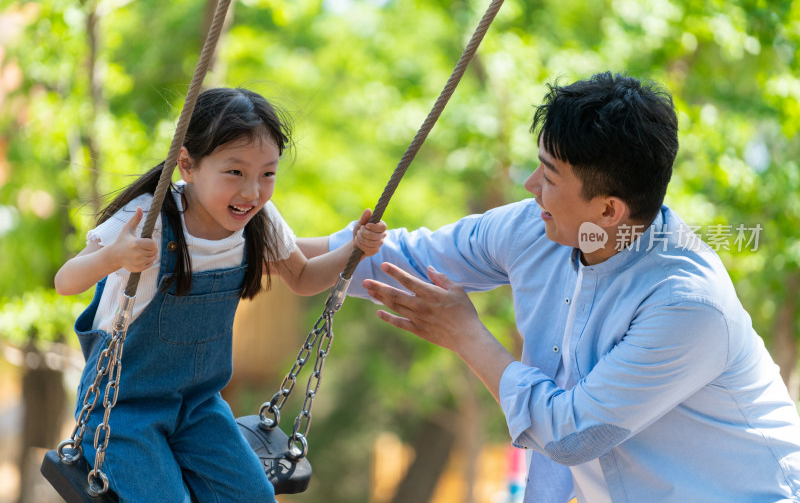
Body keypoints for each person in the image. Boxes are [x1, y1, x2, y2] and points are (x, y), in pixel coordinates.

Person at [304, 73, 800, 502]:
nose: (529, 186)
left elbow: (573, 434)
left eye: (549, 176)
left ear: (608, 210)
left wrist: (466, 336)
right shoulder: (536, 228)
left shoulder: (687, 303)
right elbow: (394, 258)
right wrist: (258, 245)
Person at [54, 87, 387, 502]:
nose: (252, 192)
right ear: (188, 164)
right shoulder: (149, 216)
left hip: (198, 409)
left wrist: (354, 248)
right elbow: (66, 281)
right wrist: (115, 256)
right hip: (122, 412)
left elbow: (302, 277)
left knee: (255, 497)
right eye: (235, 173)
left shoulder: (260, 220)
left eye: (267, 174)